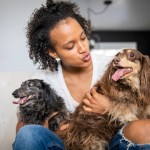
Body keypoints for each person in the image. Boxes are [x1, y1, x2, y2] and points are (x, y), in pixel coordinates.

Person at [13, 0, 150, 150]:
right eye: (70, 46)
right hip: (65, 144)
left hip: (112, 141)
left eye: (83, 37)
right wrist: (50, 126)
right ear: (53, 52)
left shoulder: (112, 67)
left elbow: (142, 105)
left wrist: (110, 108)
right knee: (28, 134)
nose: (83, 48)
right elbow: (22, 130)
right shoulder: (43, 80)